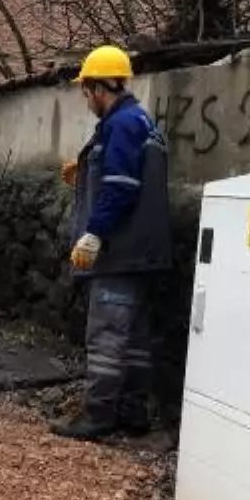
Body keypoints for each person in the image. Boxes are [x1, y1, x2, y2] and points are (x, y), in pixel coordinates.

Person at [53, 44, 172, 443]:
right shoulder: (142, 122)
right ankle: (133, 413)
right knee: (134, 339)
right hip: (145, 254)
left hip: (119, 252)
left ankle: (97, 416)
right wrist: (85, 171)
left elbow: (120, 187)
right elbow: (124, 175)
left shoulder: (120, 124)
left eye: (86, 92)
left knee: (105, 338)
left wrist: (94, 233)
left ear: (101, 87)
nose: (86, 100)